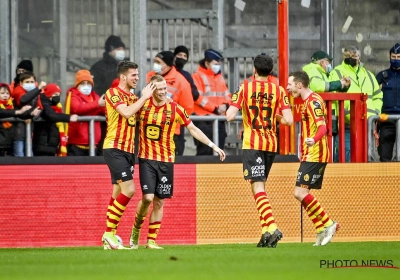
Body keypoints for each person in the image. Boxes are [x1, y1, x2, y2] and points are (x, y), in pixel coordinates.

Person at [129, 75, 226, 249]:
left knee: (159, 201)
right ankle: (136, 230)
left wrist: (213, 145)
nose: (163, 92)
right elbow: (127, 118)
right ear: (152, 89)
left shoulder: (175, 108)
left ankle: (151, 241)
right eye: (159, 89)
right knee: (147, 198)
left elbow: (193, 129)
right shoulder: (142, 106)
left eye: (165, 88)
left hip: (166, 160)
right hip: (147, 158)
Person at [226, 54, 293, 248]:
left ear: (254, 70)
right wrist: (272, 116)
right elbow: (288, 120)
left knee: (257, 187)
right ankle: (265, 233)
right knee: (259, 186)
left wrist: (238, 110)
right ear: (270, 71)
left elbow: (230, 116)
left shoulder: (244, 87)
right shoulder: (279, 90)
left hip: (253, 143)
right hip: (271, 143)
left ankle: (272, 226)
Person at [101, 61, 155, 250]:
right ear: (123, 77)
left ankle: (110, 235)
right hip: (114, 147)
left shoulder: (132, 97)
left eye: (137, 75)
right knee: (129, 190)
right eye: (133, 75)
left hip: (128, 150)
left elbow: (138, 116)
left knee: (117, 192)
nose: (137, 78)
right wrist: (144, 97)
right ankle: (108, 233)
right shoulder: (113, 93)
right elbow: (125, 113)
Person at [287, 71, 339, 246]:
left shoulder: (313, 102)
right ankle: (320, 229)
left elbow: (323, 128)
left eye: (290, 84)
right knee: (302, 194)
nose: (288, 88)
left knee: (299, 193)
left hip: (316, 153)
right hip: (310, 153)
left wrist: (313, 140)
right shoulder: (306, 101)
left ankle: (329, 223)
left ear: (299, 85)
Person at [329, 46, 383, 162]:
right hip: (346, 126)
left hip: (367, 125)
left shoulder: (368, 75)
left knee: (367, 159)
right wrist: (334, 121)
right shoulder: (337, 73)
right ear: (345, 57)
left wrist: (376, 114)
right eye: (351, 56)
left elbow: (378, 96)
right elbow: (333, 100)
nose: (354, 58)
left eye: (356, 56)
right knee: (345, 159)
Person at [146, 51, 194, 155]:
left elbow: (188, 108)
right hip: (149, 128)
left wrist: (170, 118)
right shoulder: (149, 76)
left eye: (158, 62)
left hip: (171, 132)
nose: (155, 64)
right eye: (155, 61)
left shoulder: (181, 81)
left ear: (167, 65)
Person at [90, 35, 126, 155]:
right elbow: (95, 91)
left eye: (122, 49)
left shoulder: (123, 67)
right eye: (118, 49)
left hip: (121, 113)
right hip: (104, 113)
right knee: (105, 144)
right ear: (110, 50)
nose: (122, 52)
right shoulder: (98, 68)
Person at [192, 49, 231, 155]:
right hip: (203, 120)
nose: (217, 66)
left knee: (219, 150)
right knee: (205, 151)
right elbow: (198, 98)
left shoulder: (220, 77)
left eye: (219, 64)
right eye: (215, 64)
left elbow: (227, 95)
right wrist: (215, 108)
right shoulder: (197, 76)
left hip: (219, 119)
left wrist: (226, 105)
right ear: (206, 63)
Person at [65, 70, 106, 156]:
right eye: (83, 83)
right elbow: (77, 109)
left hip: (94, 143)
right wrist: (97, 104)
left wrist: (106, 105)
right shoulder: (73, 96)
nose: (86, 86)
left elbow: (105, 112)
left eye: (89, 83)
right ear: (77, 85)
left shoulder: (96, 97)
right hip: (77, 144)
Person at [33, 84, 78, 156]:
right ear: (49, 94)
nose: (58, 96)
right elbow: (51, 116)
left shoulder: (56, 106)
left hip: (50, 145)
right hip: (43, 145)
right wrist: (69, 118)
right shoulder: (43, 103)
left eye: (59, 94)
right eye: (55, 94)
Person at [11, 72, 46, 157]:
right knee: (19, 154)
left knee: (29, 153)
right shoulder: (18, 91)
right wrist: (38, 89)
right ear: (21, 83)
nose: (30, 84)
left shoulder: (34, 93)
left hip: (29, 130)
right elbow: (23, 100)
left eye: (32, 82)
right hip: (18, 130)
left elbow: (40, 106)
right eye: (27, 82)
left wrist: (34, 113)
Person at [375, 43, 400, 162]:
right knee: (385, 156)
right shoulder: (382, 76)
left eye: (398, 57)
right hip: (386, 120)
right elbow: (373, 95)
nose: (395, 60)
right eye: (393, 57)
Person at [0, 83, 40, 156]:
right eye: (2, 93)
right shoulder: (10, 109)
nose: (5, 95)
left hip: (9, 143)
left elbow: (21, 114)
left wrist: (30, 113)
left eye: (7, 93)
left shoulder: (12, 105)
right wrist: (18, 112)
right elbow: (2, 112)